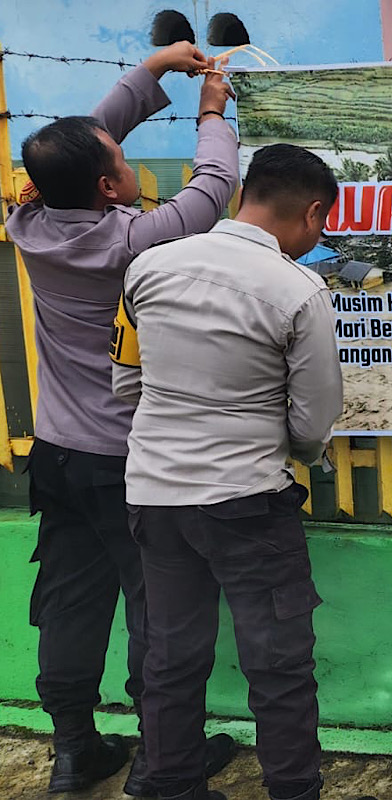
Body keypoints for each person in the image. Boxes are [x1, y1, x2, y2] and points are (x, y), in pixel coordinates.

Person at [5, 42, 240, 795]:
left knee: (69, 598)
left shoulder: (31, 224)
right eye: (120, 159)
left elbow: (77, 147)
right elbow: (215, 185)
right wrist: (210, 112)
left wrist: (149, 73)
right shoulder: (131, 239)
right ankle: (162, 758)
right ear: (110, 188)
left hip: (59, 455)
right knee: (157, 604)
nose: (129, 159)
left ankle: (73, 749)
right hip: (125, 462)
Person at [112, 144, 363, 800]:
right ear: (312, 213)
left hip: (155, 500)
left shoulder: (147, 268)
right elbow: (311, 425)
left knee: (170, 658)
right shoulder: (298, 289)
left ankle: (171, 789)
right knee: (278, 667)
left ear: (241, 195)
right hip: (247, 503)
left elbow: (125, 383)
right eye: (321, 226)